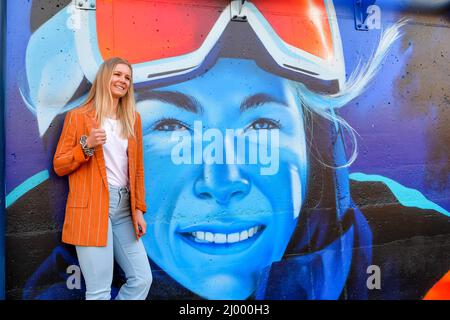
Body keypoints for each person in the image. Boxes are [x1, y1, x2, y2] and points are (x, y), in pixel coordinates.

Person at [52, 57, 152, 300]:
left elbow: (137, 169)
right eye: (118, 75)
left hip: (124, 209)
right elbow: (60, 165)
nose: (123, 81)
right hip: (91, 208)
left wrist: (139, 208)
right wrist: (87, 146)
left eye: (127, 78)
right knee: (99, 291)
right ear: (105, 77)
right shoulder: (79, 117)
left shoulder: (132, 119)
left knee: (142, 279)